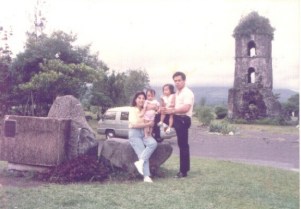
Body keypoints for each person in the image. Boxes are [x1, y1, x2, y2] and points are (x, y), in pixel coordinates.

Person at [153, 71, 194, 178]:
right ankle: (156, 136)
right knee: (157, 116)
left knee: (183, 144)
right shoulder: (176, 94)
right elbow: (170, 106)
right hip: (175, 116)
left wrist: (172, 111)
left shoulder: (187, 93)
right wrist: (163, 109)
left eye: (179, 80)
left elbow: (186, 108)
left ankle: (183, 171)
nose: (177, 83)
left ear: (184, 81)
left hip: (183, 119)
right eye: (175, 81)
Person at [128, 91, 158, 183]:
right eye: (139, 98)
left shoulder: (146, 110)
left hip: (144, 132)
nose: (141, 100)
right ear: (135, 99)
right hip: (135, 134)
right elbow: (134, 124)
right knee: (142, 153)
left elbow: (156, 109)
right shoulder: (132, 109)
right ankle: (146, 176)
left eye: (143, 98)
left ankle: (140, 162)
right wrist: (148, 124)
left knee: (153, 143)